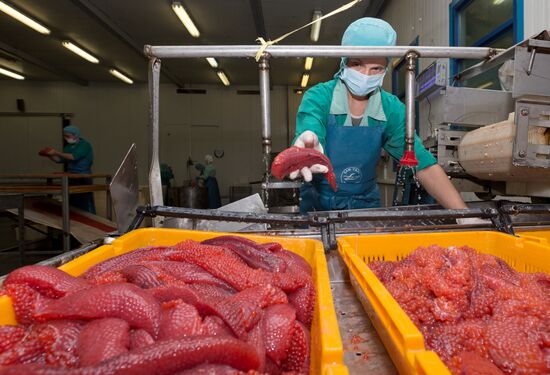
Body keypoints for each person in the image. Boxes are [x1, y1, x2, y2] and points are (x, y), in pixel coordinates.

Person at [291, 17, 468, 214]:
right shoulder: (320, 97)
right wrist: (311, 145)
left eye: (376, 68)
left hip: (364, 207)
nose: (366, 75)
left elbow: (423, 165)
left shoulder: (391, 109)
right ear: (343, 61)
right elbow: (311, 126)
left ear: (385, 69)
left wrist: (464, 215)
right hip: (318, 206)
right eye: (357, 64)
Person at [40, 125, 96, 214]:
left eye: (68, 136)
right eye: (65, 136)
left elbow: (73, 157)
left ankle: (89, 219)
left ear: (75, 135)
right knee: (73, 202)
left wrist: (56, 152)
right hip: (72, 177)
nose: (66, 138)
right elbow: (59, 160)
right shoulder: (68, 147)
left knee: (84, 201)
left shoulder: (84, 145)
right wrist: (49, 155)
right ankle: (74, 221)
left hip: (83, 177)